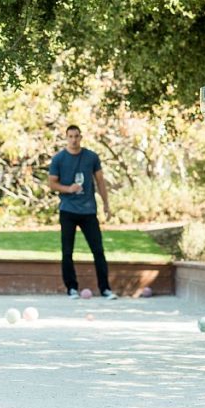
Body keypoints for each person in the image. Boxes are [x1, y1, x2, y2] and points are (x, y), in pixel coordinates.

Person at [47, 125, 117, 300]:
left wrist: (106, 204)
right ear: (66, 138)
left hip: (88, 210)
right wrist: (68, 189)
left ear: (81, 137)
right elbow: (52, 184)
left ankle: (105, 289)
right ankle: (71, 288)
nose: (74, 139)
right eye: (70, 136)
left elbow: (100, 181)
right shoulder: (59, 159)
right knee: (67, 251)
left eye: (76, 136)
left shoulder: (91, 157)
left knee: (98, 250)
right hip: (68, 210)